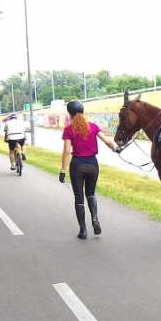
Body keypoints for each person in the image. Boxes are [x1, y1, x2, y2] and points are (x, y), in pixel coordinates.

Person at [59, 100, 121, 239]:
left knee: (79, 197)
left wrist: (63, 170)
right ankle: (95, 219)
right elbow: (106, 141)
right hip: (93, 164)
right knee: (91, 194)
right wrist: (116, 149)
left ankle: (83, 230)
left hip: (77, 166)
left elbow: (67, 151)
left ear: (70, 113)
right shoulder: (92, 126)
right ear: (82, 112)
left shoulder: (69, 130)